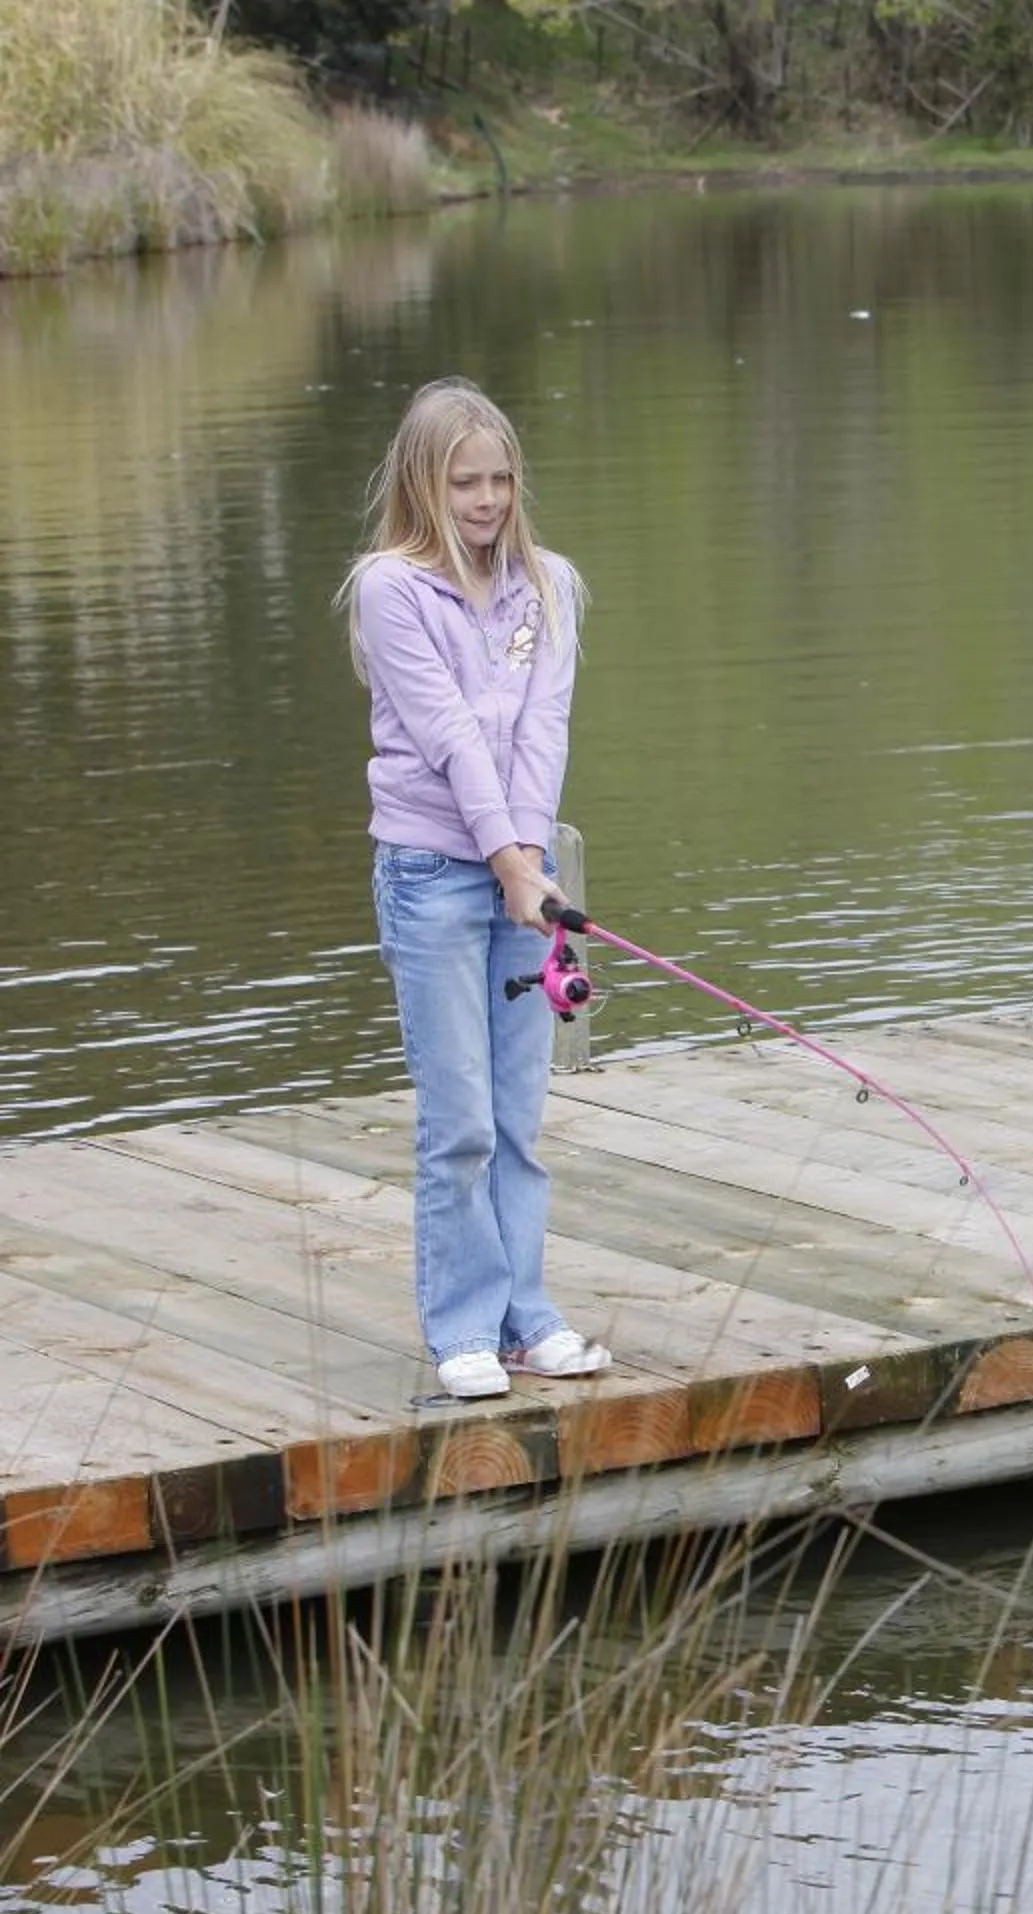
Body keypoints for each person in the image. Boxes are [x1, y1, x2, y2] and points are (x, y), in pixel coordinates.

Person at [341, 378, 612, 1400]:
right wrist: (505, 865)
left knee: (518, 1116)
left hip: (520, 881)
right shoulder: (390, 589)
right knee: (457, 1117)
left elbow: (543, 729)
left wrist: (531, 863)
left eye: (501, 479)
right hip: (431, 876)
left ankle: (524, 1314)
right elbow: (451, 735)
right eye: (466, 482)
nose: (488, 500)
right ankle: (461, 1326)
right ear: (425, 483)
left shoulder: (550, 588)